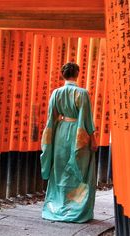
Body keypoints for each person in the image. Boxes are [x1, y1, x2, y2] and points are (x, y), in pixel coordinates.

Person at [40, 62, 97, 223]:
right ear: (77, 74)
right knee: (79, 169)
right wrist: (93, 138)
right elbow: (86, 119)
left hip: (60, 132)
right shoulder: (82, 93)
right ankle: (76, 207)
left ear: (62, 75)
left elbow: (52, 117)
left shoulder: (56, 93)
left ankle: (57, 205)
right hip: (78, 133)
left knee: (59, 168)